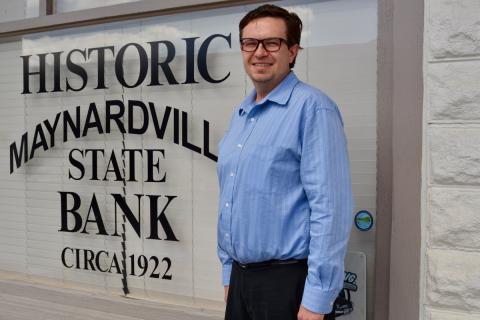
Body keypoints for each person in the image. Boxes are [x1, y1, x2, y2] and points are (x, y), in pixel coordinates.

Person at [216, 4, 353, 320]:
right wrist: (229, 274)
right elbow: (230, 201)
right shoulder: (242, 115)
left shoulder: (314, 110)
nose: (259, 52)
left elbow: (330, 209)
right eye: (250, 43)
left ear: (292, 51)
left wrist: (316, 299)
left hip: (289, 285)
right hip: (242, 280)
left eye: (271, 43)